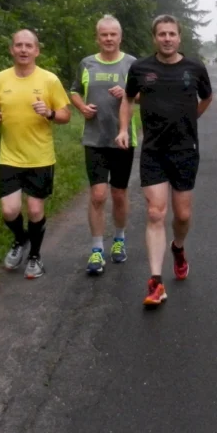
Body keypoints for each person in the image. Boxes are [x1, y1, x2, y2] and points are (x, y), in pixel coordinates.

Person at [116, 14, 213, 308]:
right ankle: (155, 282)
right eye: (162, 34)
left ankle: (178, 247)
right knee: (156, 213)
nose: (167, 38)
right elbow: (128, 98)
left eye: (172, 33)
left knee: (181, 216)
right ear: (154, 37)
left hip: (185, 150)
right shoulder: (140, 68)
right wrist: (123, 129)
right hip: (153, 151)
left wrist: (189, 118)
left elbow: (206, 98)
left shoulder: (194, 68)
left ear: (179, 37)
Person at [0, 29, 71, 279]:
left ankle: (35, 257)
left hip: (40, 157)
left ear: (36, 51)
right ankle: (20, 240)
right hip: (9, 157)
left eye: (28, 46)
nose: (23, 50)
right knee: (9, 211)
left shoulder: (49, 80)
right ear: (11, 50)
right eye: (18, 45)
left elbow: (65, 115)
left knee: (34, 210)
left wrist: (50, 113)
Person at [69, 15, 136, 275]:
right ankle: (97, 249)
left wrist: (128, 93)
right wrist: (81, 107)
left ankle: (119, 240)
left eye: (113, 34)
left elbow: (144, 95)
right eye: (104, 35)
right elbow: (74, 90)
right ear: (97, 37)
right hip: (94, 139)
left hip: (122, 138)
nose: (108, 39)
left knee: (119, 193)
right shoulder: (87, 63)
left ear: (120, 37)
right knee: (98, 195)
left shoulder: (131, 64)